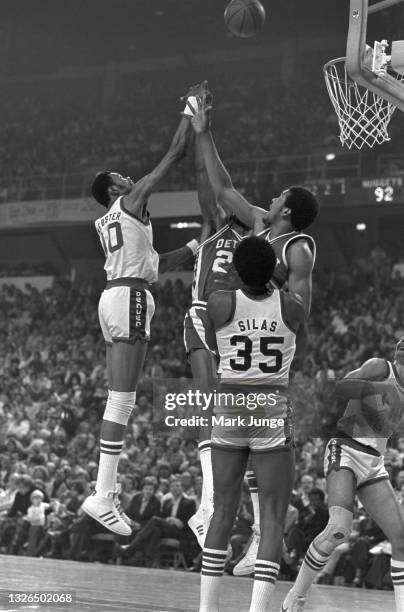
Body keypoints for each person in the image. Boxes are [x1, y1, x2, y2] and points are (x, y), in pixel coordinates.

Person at [187, 87, 319, 573]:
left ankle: (265, 539)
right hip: (243, 350)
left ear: (288, 210)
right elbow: (223, 191)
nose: (273, 195)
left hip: (274, 365)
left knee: (266, 465)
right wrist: (205, 135)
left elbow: (301, 313)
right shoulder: (262, 226)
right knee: (239, 457)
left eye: (281, 195)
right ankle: (253, 539)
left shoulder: (298, 250)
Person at [81, 92, 202, 536]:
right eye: (121, 176)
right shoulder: (129, 204)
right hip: (128, 298)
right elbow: (171, 156)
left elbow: (153, 264)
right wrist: (189, 113)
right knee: (123, 399)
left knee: (120, 398)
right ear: (115, 190)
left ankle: (103, 491)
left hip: (116, 296)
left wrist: (194, 247)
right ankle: (103, 492)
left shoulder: (121, 223)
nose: (130, 177)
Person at [199, 236, 306, 612]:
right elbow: (300, 353)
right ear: (275, 268)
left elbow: (214, 346)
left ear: (236, 269)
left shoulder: (219, 302)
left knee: (223, 510)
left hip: (230, 406)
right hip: (271, 408)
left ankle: (206, 608)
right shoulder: (292, 306)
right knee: (273, 517)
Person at [282, 337, 404, 612]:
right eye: (402, 339)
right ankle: (296, 597)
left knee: (401, 540)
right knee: (338, 529)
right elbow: (341, 386)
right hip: (345, 448)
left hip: (374, 463)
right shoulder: (380, 367)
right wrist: (381, 390)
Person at [184, 88, 249, 546]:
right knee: (211, 405)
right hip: (205, 313)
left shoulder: (257, 235)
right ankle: (208, 504)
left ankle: (222, 507)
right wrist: (198, 128)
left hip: (236, 322)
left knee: (234, 416)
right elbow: (209, 183)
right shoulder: (212, 225)